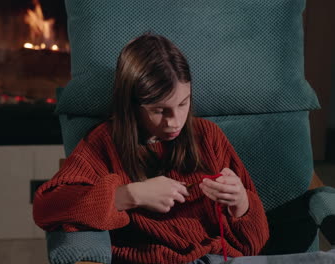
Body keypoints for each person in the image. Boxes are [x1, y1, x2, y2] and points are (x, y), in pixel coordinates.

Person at [33, 33, 335, 264]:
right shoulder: (104, 143)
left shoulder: (207, 136)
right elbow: (47, 208)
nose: (175, 121)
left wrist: (241, 203)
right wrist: (129, 195)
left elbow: (253, 245)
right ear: (132, 106)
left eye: (183, 103)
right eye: (159, 111)